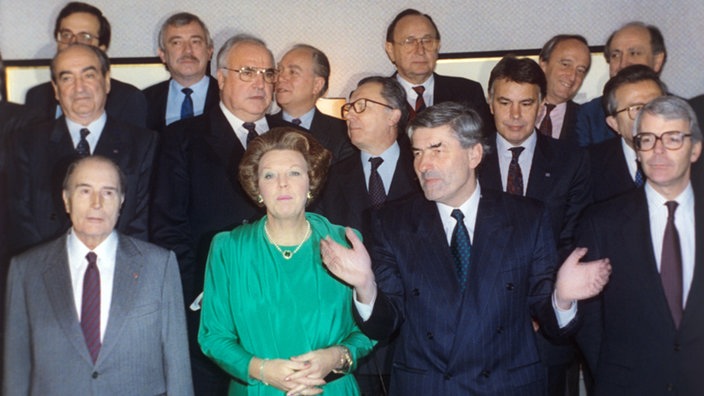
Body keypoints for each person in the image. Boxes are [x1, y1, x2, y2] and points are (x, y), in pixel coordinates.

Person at [320, 102, 611, 395]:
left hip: (507, 385)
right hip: (428, 386)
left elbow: (549, 320)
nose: (423, 165)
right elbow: (386, 324)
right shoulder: (391, 222)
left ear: (474, 154)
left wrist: (562, 297)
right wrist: (365, 286)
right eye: (418, 153)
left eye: (437, 150)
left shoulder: (526, 217)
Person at [149, 33, 301, 395]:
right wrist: (202, 296)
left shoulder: (296, 139)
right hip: (214, 308)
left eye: (268, 73)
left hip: (289, 306)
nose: (260, 83)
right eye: (247, 71)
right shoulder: (181, 139)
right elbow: (168, 228)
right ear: (221, 77)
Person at [198, 127, 375, 395]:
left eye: (294, 172)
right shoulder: (228, 248)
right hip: (258, 390)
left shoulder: (345, 242)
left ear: (311, 181)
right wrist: (262, 369)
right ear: (257, 186)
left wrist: (336, 358)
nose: (283, 183)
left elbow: (370, 327)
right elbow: (213, 336)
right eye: (269, 175)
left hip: (331, 390)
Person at [3, 155, 192, 396]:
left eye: (108, 192)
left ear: (122, 201)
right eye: (84, 191)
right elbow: (16, 369)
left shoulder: (159, 265)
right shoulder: (27, 270)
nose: (96, 203)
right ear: (66, 200)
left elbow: (178, 367)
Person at [576, 96, 703, 395]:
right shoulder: (600, 221)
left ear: (695, 149)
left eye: (672, 138)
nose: (658, 150)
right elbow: (589, 320)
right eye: (647, 139)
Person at [315, 76, 421, 395]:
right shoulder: (332, 176)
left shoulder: (424, 168)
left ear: (394, 114)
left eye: (362, 106)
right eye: (349, 107)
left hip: (418, 336)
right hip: (353, 334)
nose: (350, 114)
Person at [7, 44, 156, 256]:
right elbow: (20, 220)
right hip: (45, 271)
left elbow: (142, 221)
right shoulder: (25, 143)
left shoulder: (143, 144)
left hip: (121, 268)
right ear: (56, 90)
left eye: (88, 76)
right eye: (67, 78)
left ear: (106, 82)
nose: (79, 88)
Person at [24, 1, 147, 127]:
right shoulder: (37, 96)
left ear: (102, 49)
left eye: (85, 37)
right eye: (66, 35)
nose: (73, 42)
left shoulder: (127, 98)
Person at [384, 9, 492, 127]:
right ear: (390, 50)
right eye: (409, 41)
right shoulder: (376, 97)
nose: (420, 50)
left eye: (427, 41)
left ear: (438, 47)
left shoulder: (468, 92)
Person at [575, 22, 666, 147]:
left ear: (657, 61)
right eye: (615, 55)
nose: (623, 64)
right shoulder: (588, 116)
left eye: (634, 53)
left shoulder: (684, 112)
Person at [590, 65, 667, 202]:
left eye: (656, 105)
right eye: (636, 108)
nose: (650, 115)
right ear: (614, 123)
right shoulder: (588, 165)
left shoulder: (692, 156)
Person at [273, 44, 354, 163]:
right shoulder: (260, 127)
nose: (280, 78)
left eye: (293, 72)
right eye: (279, 70)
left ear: (317, 85)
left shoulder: (344, 133)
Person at [143, 12, 219, 133]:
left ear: (209, 51)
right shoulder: (143, 101)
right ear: (163, 55)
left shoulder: (229, 97)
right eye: (176, 43)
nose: (188, 50)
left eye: (195, 42)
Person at [537, 34, 591, 145]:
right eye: (565, 64)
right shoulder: (515, 110)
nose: (572, 76)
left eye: (580, 70)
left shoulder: (588, 121)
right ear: (543, 64)